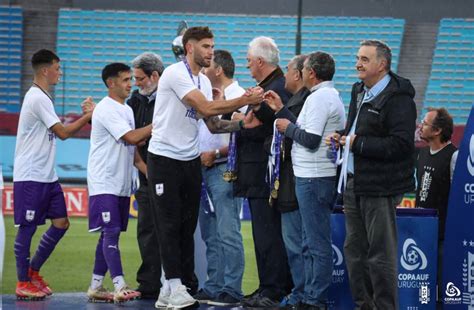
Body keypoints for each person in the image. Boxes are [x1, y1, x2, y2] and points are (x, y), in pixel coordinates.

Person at [146, 26, 263, 309]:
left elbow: (212, 123)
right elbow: (207, 108)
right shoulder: (176, 73)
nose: (211, 51)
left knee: (186, 227)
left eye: (212, 46)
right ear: (190, 48)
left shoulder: (199, 80)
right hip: (164, 159)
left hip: (189, 160)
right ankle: (174, 285)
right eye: (206, 46)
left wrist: (240, 124)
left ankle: (171, 289)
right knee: (170, 224)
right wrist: (244, 100)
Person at [326, 40, 417, 309]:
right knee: (354, 253)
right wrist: (342, 137)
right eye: (358, 58)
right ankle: (364, 306)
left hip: (380, 187)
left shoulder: (399, 99)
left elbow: (401, 145)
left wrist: (356, 143)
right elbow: (356, 130)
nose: (358, 64)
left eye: (365, 59)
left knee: (380, 255)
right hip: (355, 182)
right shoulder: (358, 90)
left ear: (382, 64)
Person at [265, 51, 346, 309]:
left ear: (311, 72)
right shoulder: (326, 96)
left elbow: (310, 140)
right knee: (311, 242)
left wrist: (286, 128)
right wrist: (284, 114)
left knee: (316, 243)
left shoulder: (321, 98)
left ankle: (314, 299)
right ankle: (310, 296)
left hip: (314, 177)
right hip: (313, 176)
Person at [13, 49, 94, 300]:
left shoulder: (43, 97)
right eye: (58, 68)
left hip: (47, 175)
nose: (60, 73)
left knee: (62, 223)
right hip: (30, 175)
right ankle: (22, 281)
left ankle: (33, 271)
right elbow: (63, 133)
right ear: (46, 70)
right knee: (27, 227)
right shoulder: (36, 97)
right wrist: (88, 116)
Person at [86, 62, 151, 304]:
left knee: (108, 235)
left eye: (130, 79)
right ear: (110, 83)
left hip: (121, 184)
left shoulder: (126, 110)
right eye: (125, 80)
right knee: (111, 232)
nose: (130, 84)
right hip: (105, 182)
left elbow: (133, 151)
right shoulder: (106, 109)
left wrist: (148, 173)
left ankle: (95, 286)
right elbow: (131, 137)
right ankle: (119, 285)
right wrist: (160, 123)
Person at [236, 36, 293, 307]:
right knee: (263, 234)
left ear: (260, 61)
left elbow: (276, 127)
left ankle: (273, 289)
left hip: (265, 173)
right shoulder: (269, 86)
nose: (247, 65)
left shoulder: (277, 88)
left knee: (268, 234)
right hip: (259, 172)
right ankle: (267, 287)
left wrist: (245, 126)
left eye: (248, 60)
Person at [194, 49, 246, 306]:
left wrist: (215, 152)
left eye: (207, 66)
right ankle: (214, 285)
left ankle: (232, 288)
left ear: (219, 70)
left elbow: (244, 134)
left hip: (225, 168)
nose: (203, 70)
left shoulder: (240, 96)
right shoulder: (205, 95)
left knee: (228, 232)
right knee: (210, 233)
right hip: (204, 168)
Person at [261, 54, 310, 308]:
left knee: (298, 243)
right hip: (291, 181)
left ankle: (303, 295)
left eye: (289, 70)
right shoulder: (297, 100)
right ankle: (300, 293)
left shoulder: (306, 101)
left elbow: (298, 136)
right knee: (295, 244)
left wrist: (282, 114)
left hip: (296, 180)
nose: (286, 74)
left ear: (299, 74)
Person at [127, 52, 164, 300]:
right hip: (145, 175)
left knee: (171, 231)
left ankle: (179, 281)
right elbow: (128, 133)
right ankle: (150, 283)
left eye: (140, 78)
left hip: (168, 173)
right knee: (147, 230)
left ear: (154, 75)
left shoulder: (169, 97)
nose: (136, 82)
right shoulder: (134, 101)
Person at [415, 107, 457, 302]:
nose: (420, 126)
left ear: (438, 130)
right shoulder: (421, 155)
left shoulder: (453, 156)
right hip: (422, 233)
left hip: (443, 235)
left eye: (425, 123)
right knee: (424, 284)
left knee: (442, 283)